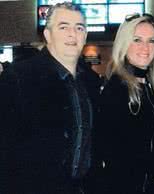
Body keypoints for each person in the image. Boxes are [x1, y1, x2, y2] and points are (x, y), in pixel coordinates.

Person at [0, 2, 99, 193]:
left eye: (79, 28)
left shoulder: (91, 82)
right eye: (63, 27)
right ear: (47, 35)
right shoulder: (19, 78)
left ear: (85, 36)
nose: (72, 34)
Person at [91, 13, 154, 194]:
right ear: (124, 44)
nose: (145, 47)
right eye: (137, 40)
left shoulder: (148, 84)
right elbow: (112, 148)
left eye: (151, 41)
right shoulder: (117, 88)